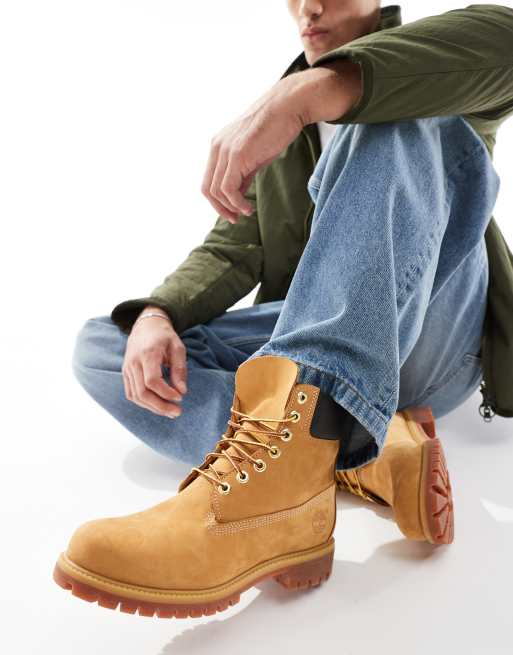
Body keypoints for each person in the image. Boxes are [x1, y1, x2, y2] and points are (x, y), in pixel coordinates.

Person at [53, 2, 513, 619]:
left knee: (393, 109)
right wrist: (158, 313)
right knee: (108, 344)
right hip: (317, 346)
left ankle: (288, 469)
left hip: (432, 331)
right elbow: (232, 248)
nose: (309, 7)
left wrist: (306, 95)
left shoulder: (438, 67)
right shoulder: (280, 133)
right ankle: (348, 455)